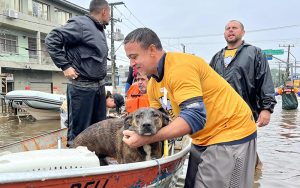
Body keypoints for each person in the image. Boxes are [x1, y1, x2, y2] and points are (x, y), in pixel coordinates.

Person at [122, 28, 257, 188]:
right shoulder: (153, 85)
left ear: (152, 50)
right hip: (202, 137)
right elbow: (158, 122)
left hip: (230, 134)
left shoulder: (180, 67)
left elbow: (195, 117)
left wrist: (147, 139)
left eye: (134, 57)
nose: (132, 64)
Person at [210, 20, 277, 168]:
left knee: (245, 150)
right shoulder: (216, 57)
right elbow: (207, 86)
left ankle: (255, 173)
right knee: (224, 152)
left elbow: (265, 80)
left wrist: (266, 109)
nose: (231, 30)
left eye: (235, 28)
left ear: (243, 32)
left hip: (245, 112)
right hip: (220, 115)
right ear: (224, 33)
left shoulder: (254, 52)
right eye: (227, 28)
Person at [45, 0, 110, 146]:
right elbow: (52, 39)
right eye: (109, 14)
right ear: (104, 11)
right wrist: (65, 66)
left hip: (99, 87)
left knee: (99, 129)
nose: (110, 17)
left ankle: (97, 161)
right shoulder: (81, 24)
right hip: (82, 88)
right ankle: (76, 162)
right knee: (80, 132)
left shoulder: (99, 29)